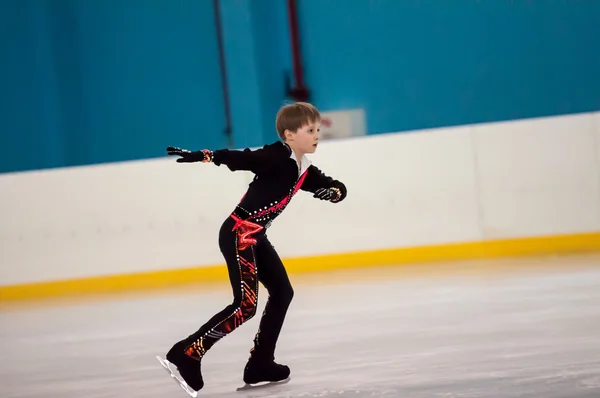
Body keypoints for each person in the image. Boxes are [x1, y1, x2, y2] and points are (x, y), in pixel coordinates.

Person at [160, 102, 347, 394]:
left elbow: (334, 186)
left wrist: (334, 193)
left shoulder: (303, 170)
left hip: (255, 236)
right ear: (289, 134)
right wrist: (206, 156)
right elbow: (244, 158)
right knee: (245, 305)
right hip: (238, 234)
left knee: (283, 292)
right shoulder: (277, 155)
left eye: (318, 129)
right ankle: (189, 353)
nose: (316, 135)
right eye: (310, 130)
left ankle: (260, 364)